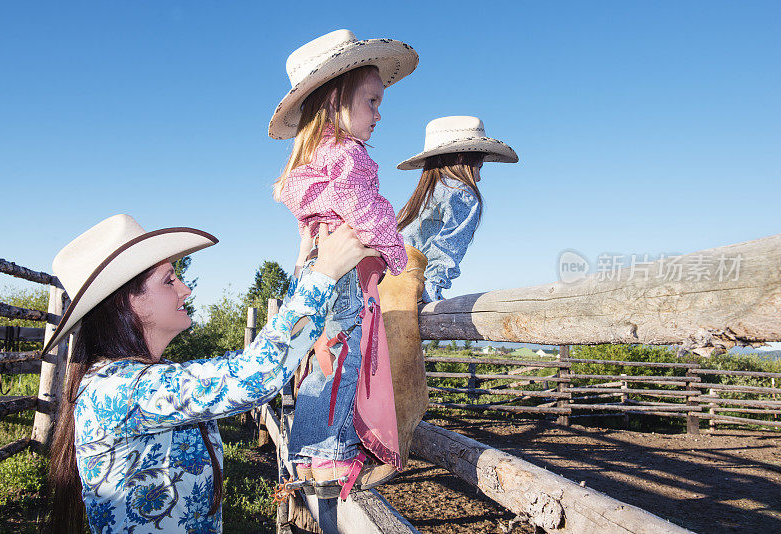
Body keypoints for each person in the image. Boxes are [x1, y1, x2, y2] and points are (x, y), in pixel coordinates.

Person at [46, 214, 376, 533]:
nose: (185, 289)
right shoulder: (119, 389)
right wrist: (325, 273)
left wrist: (307, 261)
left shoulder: (138, 379)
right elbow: (252, 376)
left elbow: (268, 355)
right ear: (126, 303)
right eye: (168, 280)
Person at [268, 29, 418, 498]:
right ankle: (333, 454)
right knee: (347, 354)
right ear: (336, 100)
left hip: (316, 267)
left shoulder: (313, 156)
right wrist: (395, 254)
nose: (378, 114)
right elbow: (365, 209)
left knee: (323, 358)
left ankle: (309, 455)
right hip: (347, 271)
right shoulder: (349, 153)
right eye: (371, 101)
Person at [375, 117, 519, 467]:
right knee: (402, 378)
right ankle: (390, 447)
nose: (481, 171)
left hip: (379, 281)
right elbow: (444, 253)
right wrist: (429, 296)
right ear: (465, 159)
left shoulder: (423, 193)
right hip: (408, 282)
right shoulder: (466, 196)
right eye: (479, 161)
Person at [396, 115, 519, 303]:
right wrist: (432, 292)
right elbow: (447, 249)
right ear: (462, 158)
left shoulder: (424, 194)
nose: (478, 178)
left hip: (385, 281)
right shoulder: (462, 194)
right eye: (479, 166)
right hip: (412, 287)